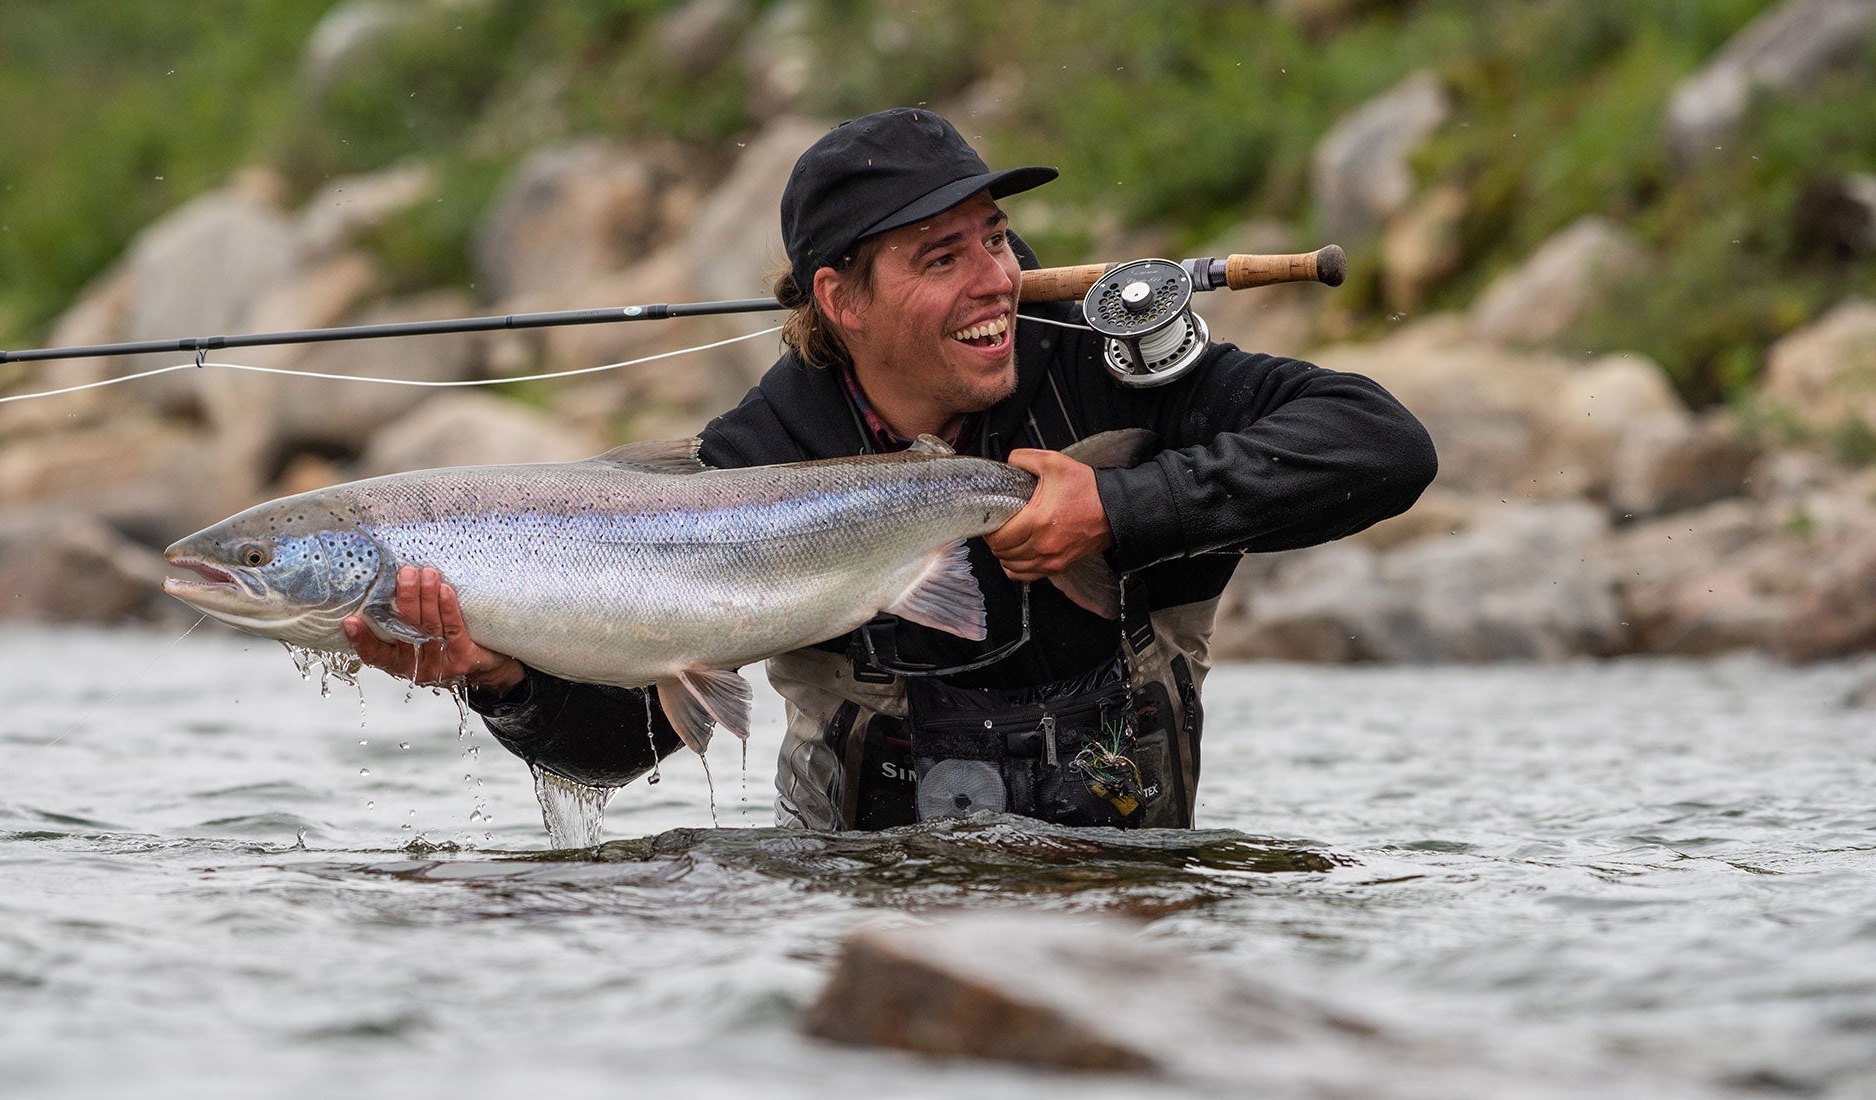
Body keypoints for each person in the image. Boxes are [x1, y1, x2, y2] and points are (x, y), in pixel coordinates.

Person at [344, 107, 1437, 830]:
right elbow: (623, 745)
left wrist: (1116, 505)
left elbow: (1380, 444)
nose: (996, 281)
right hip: (854, 898)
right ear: (840, 299)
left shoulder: (1114, 380)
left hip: (1129, 891)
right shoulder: (756, 460)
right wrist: (501, 680)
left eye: (997, 240)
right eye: (940, 256)